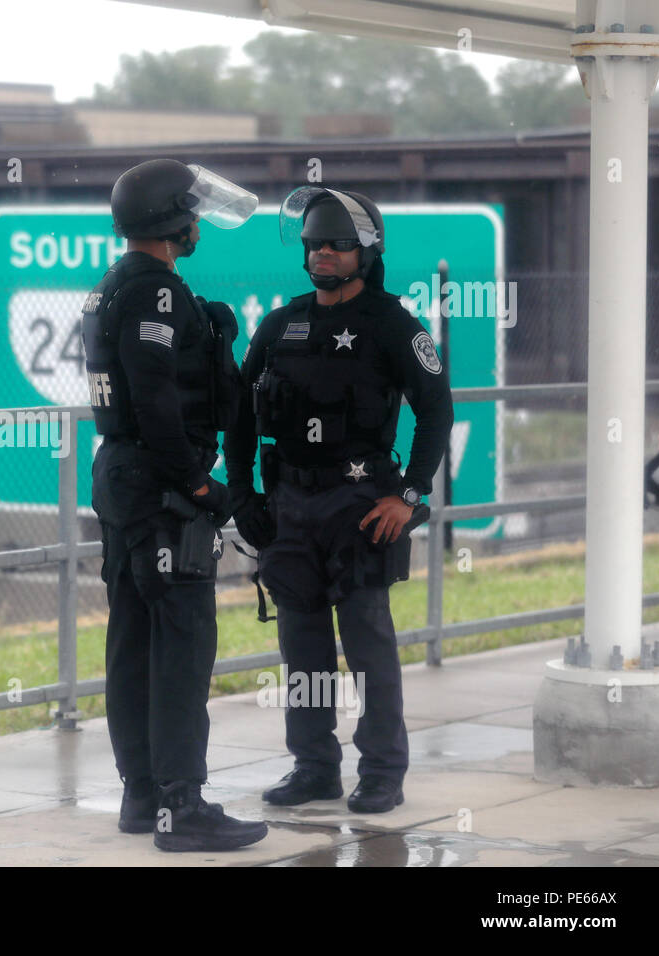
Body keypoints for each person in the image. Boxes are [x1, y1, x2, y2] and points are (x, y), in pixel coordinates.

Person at [226, 186, 454, 813]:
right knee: (302, 649)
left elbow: (436, 414)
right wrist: (241, 492)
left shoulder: (394, 325)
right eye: (314, 244)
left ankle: (381, 770)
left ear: (366, 250)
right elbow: (241, 418)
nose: (323, 253)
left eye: (337, 245)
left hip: (361, 506)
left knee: (367, 643)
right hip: (289, 508)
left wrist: (409, 495)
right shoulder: (279, 324)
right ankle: (314, 767)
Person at [84, 158, 268, 851]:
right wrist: (198, 485)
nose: (197, 223)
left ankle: (142, 797)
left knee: (133, 639)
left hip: (122, 478)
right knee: (184, 644)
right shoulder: (156, 292)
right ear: (170, 220)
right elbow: (157, 398)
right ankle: (181, 808)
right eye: (190, 212)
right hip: (159, 486)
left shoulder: (112, 287)